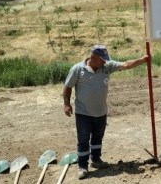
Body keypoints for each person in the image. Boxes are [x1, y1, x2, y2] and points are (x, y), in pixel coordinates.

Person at [63, 45, 148, 180]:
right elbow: (68, 87)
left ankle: (96, 160)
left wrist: (142, 60)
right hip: (83, 112)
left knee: (97, 137)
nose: (104, 62)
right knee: (83, 140)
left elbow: (126, 65)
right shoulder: (78, 69)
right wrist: (67, 104)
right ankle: (83, 167)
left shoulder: (107, 66)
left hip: (101, 112)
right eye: (102, 59)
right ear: (93, 57)